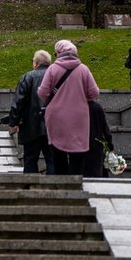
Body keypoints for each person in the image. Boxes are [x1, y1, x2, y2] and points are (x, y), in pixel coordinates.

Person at [37, 39, 100, 175]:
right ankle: (75, 183)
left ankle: (61, 185)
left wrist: (53, 101)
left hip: (56, 117)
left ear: (58, 53)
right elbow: (94, 93)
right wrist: (82, 100)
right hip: (79, 118)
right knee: (77, 155)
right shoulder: (83, 69)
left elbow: (42, 92)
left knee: (58, 154)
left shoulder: (53, 69)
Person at [2, 50, 55, 174]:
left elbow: (18, 102)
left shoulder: (28, 77)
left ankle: (30, 188)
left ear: (36, 63)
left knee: (30, 159)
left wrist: (13, 122)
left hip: (30, 126)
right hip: (53, 126)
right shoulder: (56, 77)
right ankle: (54, 188)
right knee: (52, 160)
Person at [82, 100, 115, 177]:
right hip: (96, 145)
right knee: (97, 173)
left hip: (82, 145)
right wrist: (110, 146)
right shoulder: (97, 108)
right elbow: (105, 128)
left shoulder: (79, 107)